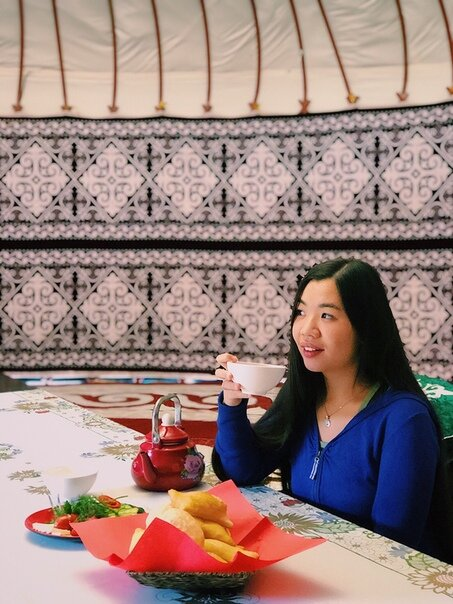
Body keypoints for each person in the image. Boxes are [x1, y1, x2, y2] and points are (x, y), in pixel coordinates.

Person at [213, 258, 453, 563]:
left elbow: (391, 548)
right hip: (307, 561)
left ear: (365, 326)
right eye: (301, 312)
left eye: (326, 315)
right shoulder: (304, 394)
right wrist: (232, 405)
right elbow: (242, 473)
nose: (306, 329)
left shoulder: (404, 421)